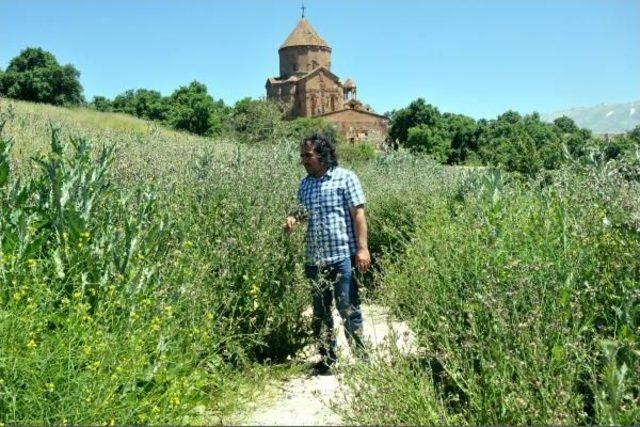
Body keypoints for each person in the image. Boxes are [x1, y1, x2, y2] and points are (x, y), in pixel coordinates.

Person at [284, 132, 371, 374]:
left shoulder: (346, 178)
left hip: (343, 256)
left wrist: (362, 249)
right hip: (314, 259)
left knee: (348, 309)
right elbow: (301, 212)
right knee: (320, 313)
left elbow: (358, 215)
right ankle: (327, 360)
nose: (304, 160)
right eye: (302, 155)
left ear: (322, 154)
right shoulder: (305, 184)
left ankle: (363, 361)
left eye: (308, 155)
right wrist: (292, 218)